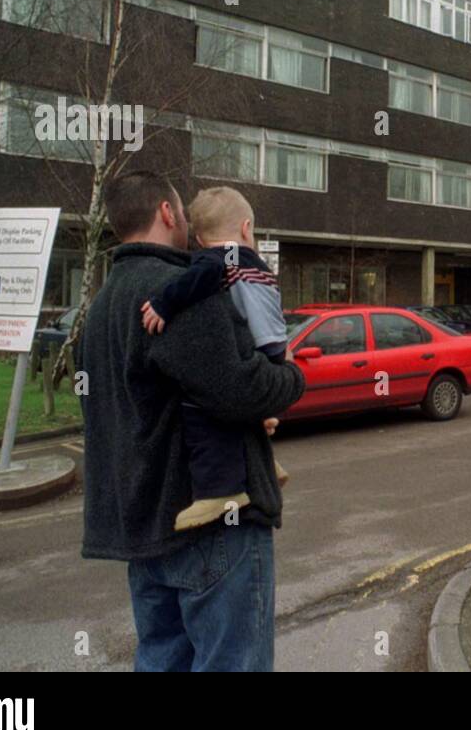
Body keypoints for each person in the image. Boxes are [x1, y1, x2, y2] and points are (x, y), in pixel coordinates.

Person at [79, 171, 305, 672]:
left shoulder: (99, 309)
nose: (188, 224)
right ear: (166, 213)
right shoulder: (177, 290)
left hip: (143, 531)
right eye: (182, 214)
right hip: (209, 531)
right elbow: (240, 389)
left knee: (162, 661)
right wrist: (291, 379)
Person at [138, 186, 288, 532]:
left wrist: (165, 302)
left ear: (201, 239)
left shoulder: (217, 259)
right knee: (252, 409)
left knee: (202, 408)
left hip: (253, 346)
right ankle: (267, 464)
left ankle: (222, 490)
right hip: (273, 345)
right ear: (247, 227)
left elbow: (199, 278)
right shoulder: (254, 262)